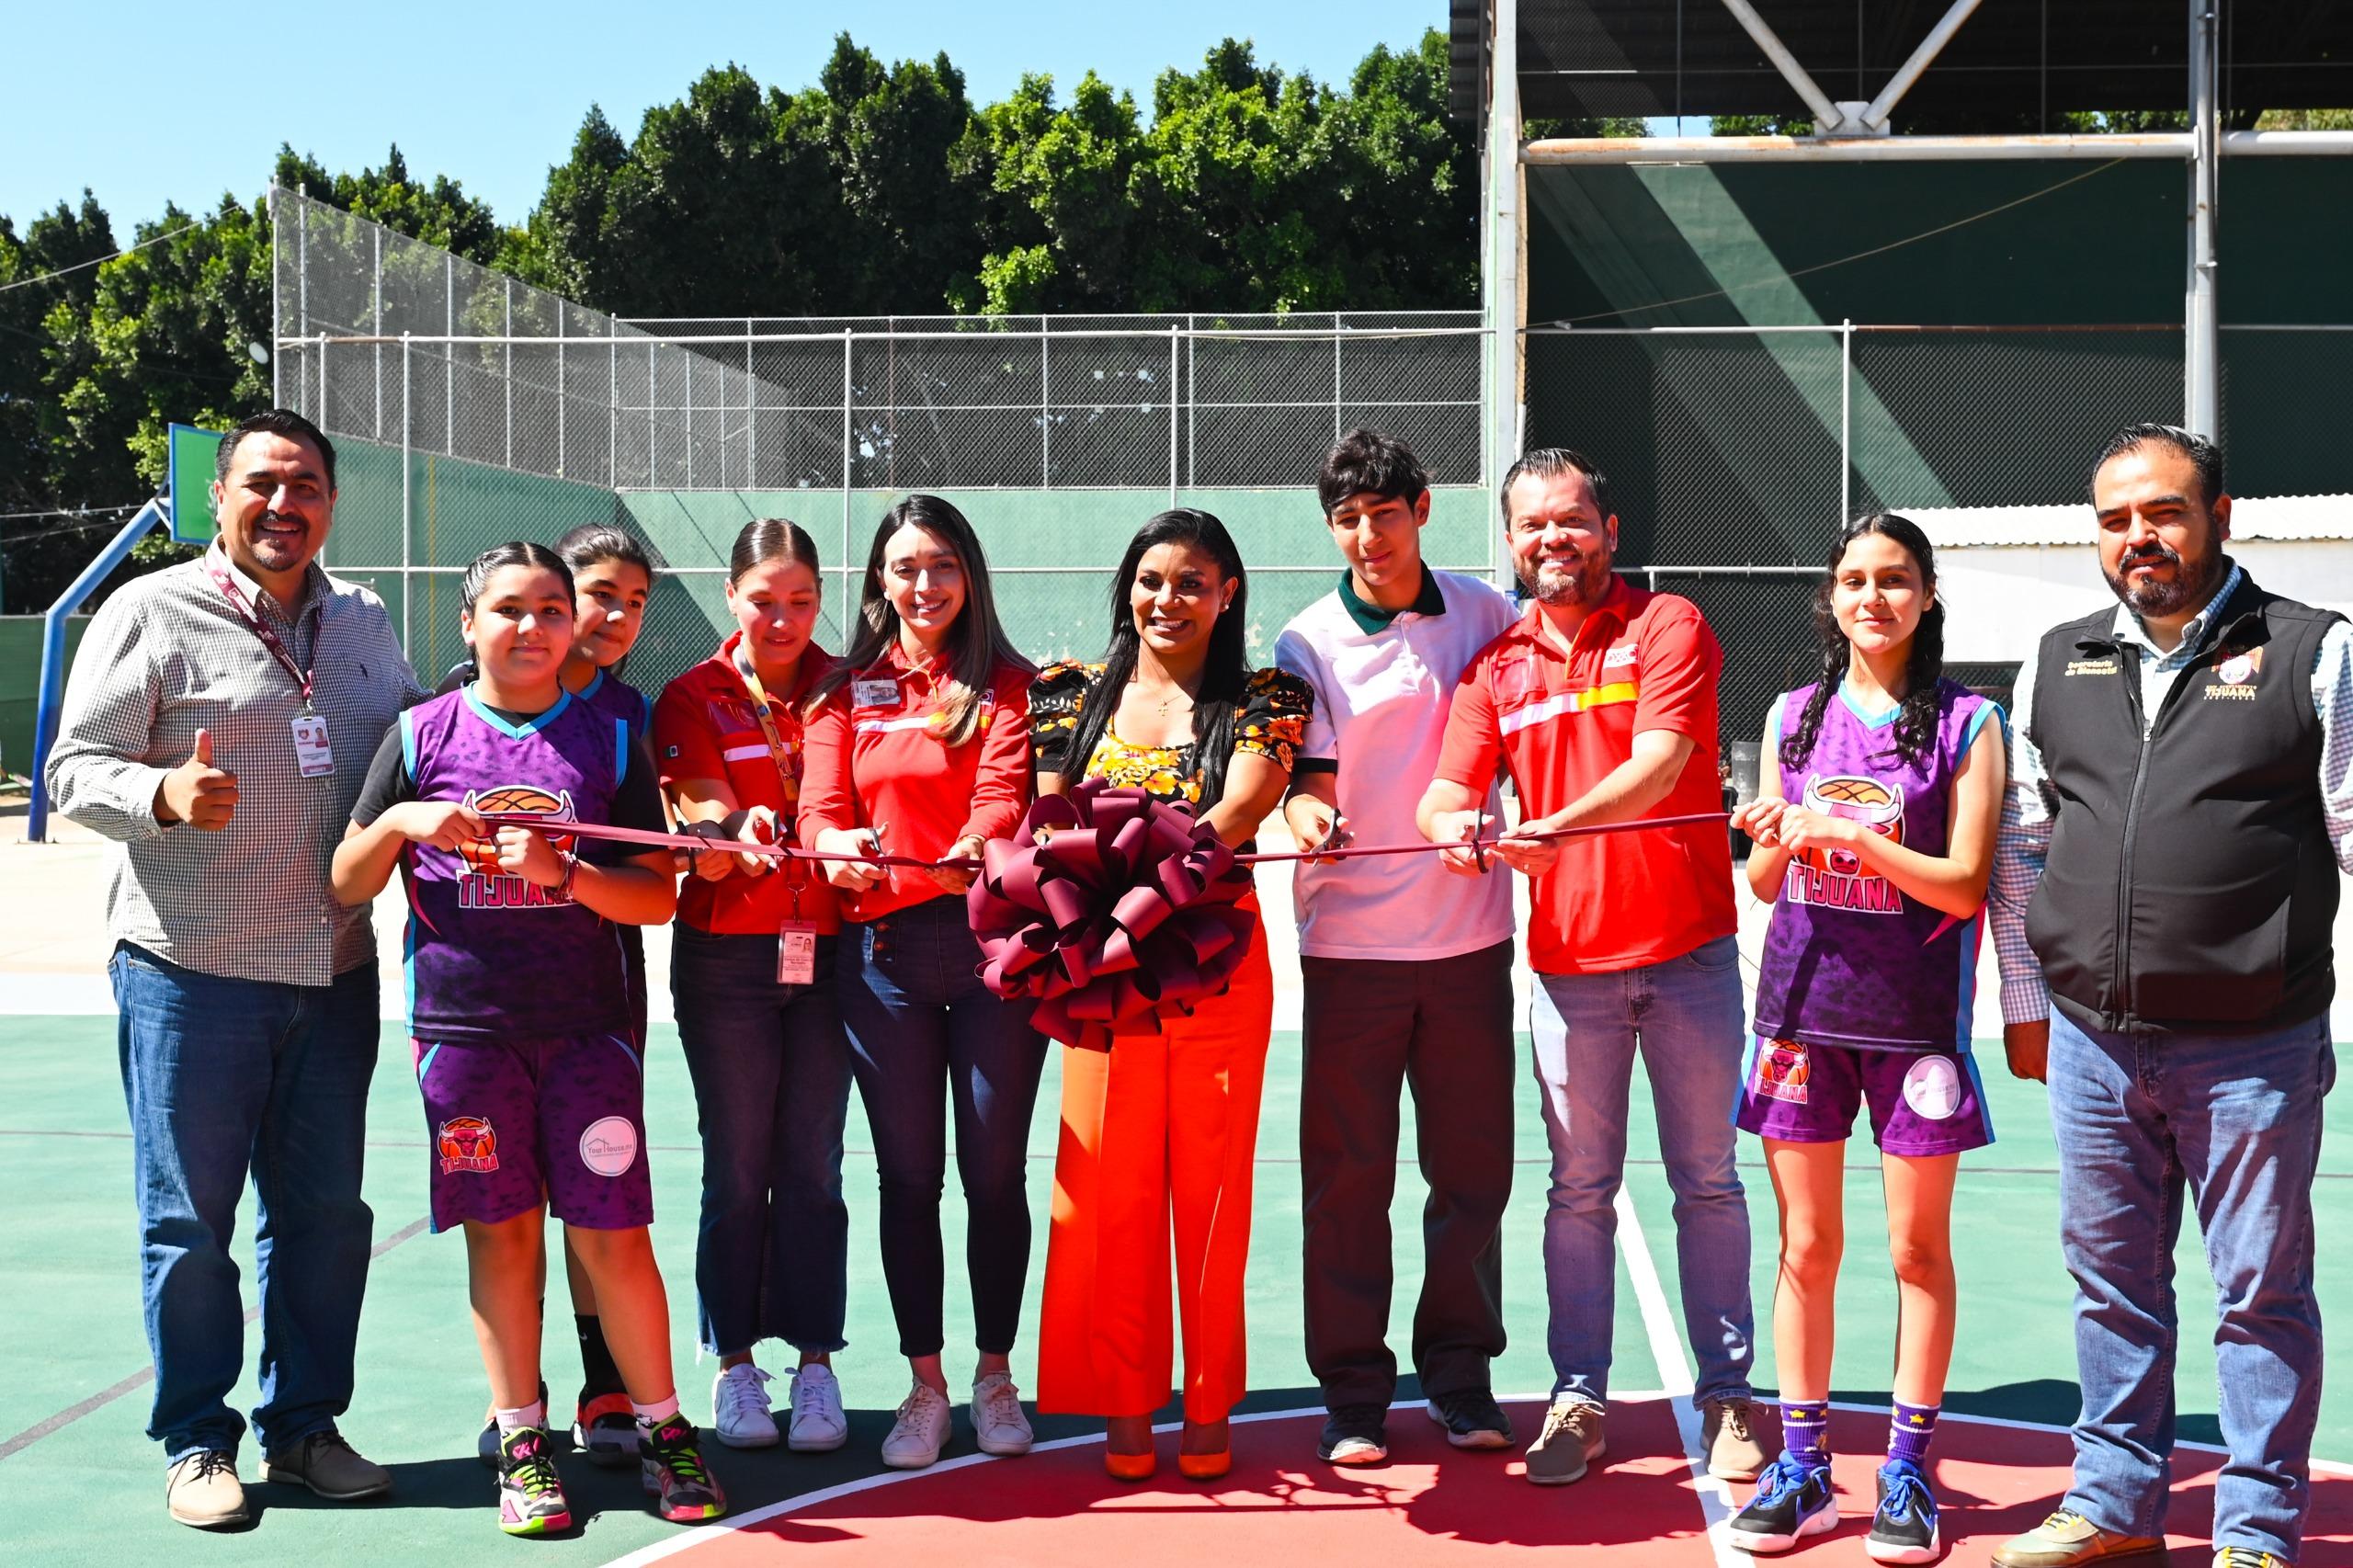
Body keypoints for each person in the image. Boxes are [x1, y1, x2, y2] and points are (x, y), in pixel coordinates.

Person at [46, 409, 416, 1528]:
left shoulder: (363, 618)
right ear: (220, 496)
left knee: (323, 1216)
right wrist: (158, 794)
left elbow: (410, 741)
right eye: (260, 482)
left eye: (304, 483)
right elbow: (72, 768)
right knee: (190, 1223)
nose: (282, 502)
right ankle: (199, 1440)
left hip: (335, 969)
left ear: (331, 501)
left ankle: (304, 1427)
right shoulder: (151, 610)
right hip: (190, 972)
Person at [1989, 425, 2347, 1568]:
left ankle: (2252, 1528)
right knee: (2109, 1286)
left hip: (2254, 1045)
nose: (2137, 536)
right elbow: (2026, 845)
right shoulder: (2056, 657)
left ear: (2219, 515)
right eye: (2113, 518)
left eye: (2163, 512)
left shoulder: (2313, 653)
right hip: (2094, 1041)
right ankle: (2114, 1504)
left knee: (2259, 1293)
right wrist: (2023, 998)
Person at [331, 541, 725, 1537]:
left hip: (588, 1033)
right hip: (465, 1035)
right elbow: (346, 875)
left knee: (612, 1235)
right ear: (468, 624)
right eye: (508, 608)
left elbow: (655, 892)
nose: (533, 626)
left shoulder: (607, 739)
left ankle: (667, 1427)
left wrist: (565, 872)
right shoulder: (420, 734)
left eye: (551, 608)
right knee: (501, 1234)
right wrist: (404, 821)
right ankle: (522, 1435)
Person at [1416, 446, 1767, 1487]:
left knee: (1707, 1182)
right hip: (1568, 972)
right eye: (1530, 525)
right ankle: (1578, 1396)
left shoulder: (1670, 625)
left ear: (1609, 530)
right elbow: (1444, 793)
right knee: (1577, 1192)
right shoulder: (1495, 667)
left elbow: (1661, 762)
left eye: (1570, 520)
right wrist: (1459, 831)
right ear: (1512, 541)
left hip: (1692, 957)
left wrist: (1546, 823)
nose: (1550, 540)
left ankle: (1728, 1392)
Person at [1724, 515, 2006, 1565]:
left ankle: (1905, 1468)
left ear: (1927, 595)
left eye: (1893, 580)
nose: (1871, 597)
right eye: (1852, 580)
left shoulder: (1969, 722)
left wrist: (1853, 836)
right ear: (1829, 600)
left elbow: (1966, 881)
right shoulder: (1793, 715)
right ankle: (1801, 1466)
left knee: (1913, 1249)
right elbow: (1764, 885)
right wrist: (1766, 840)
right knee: (1804, 1246)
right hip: (1801, 1014)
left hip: (1912, 1025)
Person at [1030, 507, 1313, 1482]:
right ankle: (1124, 1397)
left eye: (1192, 581)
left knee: (1210, 1194)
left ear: (1227, 593)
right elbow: (1048, 817)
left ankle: (1205, 1399)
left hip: (1217, 969)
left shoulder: (1272, 695)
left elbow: (1238, 808)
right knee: (1108, 1194)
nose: (1168, 599)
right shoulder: (1064, 696)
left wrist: (1143, 893)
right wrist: (1103, 929)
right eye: (1152, 579)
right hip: (1102, 981)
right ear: (1128, 587)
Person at [1271, 428, 1521, 1467]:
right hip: (1351, 949)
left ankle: (1460, 1379)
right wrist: (1305, 819)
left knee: (1470, 1175)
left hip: (1470, 940)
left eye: (1383, 511)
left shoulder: (1487, 613)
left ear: (1421, 508)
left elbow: (1517, 749)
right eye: (1346, 517)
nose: (1366, 534)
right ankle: (1354, 1393)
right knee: (1347, 1180)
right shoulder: (1305, 639)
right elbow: (1302, 780)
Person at [796, 494, 1042, 1471]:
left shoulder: (1009, 683)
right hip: (882, 962)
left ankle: (994, 1374)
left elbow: (1001, 795)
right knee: (908, 1178)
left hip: (990, 954)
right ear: (878, 584)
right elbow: (819, 809)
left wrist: (975, 846)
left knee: (993, 1175)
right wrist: (834, 846)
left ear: (969, 575)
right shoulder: (844, 691)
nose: (924, 585)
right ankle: (925, 1382)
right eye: (904, 568)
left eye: (941, 565)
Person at [460, 523, 663, 1468]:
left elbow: (652, 876)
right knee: (506, 1218)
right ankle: (519, 1414)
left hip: (598, 1005)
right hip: (484, 1019)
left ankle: (606, 1383)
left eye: (635, 600)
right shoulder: (448, 717)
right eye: (597, 593)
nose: (612, 615)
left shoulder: (622, 720)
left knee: (599, 1208)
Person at [654, 518, 858, 1453]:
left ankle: (816, 1361)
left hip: (829, 956)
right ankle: (735, 1364)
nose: (782, 618)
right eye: (763, 600)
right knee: (736, 1168)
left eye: (801, 601)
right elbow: (693, 800)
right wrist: (733, 828)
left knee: (813, 1167)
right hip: (727, 962)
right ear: (731, 596)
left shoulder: (845, 684)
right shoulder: (693, 693)